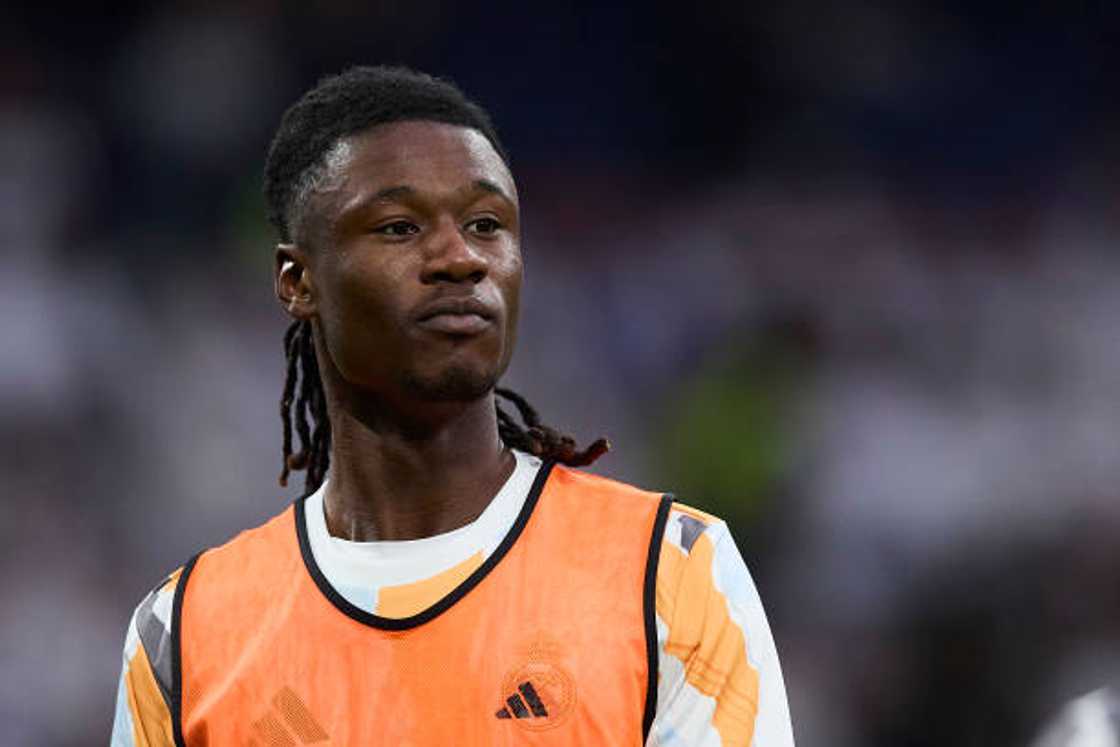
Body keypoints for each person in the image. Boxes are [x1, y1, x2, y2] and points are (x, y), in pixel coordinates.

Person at [110, 65, 794, 746]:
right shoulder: (187, 634)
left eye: (487, 223)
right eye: (400, 227)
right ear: (298, 280)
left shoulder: (668, 572)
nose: (460, 257)